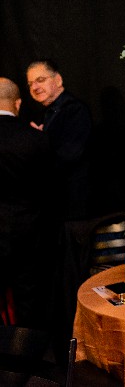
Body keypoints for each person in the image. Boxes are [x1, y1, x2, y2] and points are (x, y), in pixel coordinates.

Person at [0, 77, 52, 328]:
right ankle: (26, 350)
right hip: (28, 230)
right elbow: (49, 186)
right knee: (29, 301)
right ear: (18, 103)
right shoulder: (35, 138)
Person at [26, 59, 91, 220]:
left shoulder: (74, 110)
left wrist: (40, 142)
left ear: (58, 80)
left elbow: (69, 155)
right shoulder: (47, 113)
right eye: (30, 84)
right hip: (59, 204)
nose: (34, 87)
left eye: (40, 80)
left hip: (74, 205)